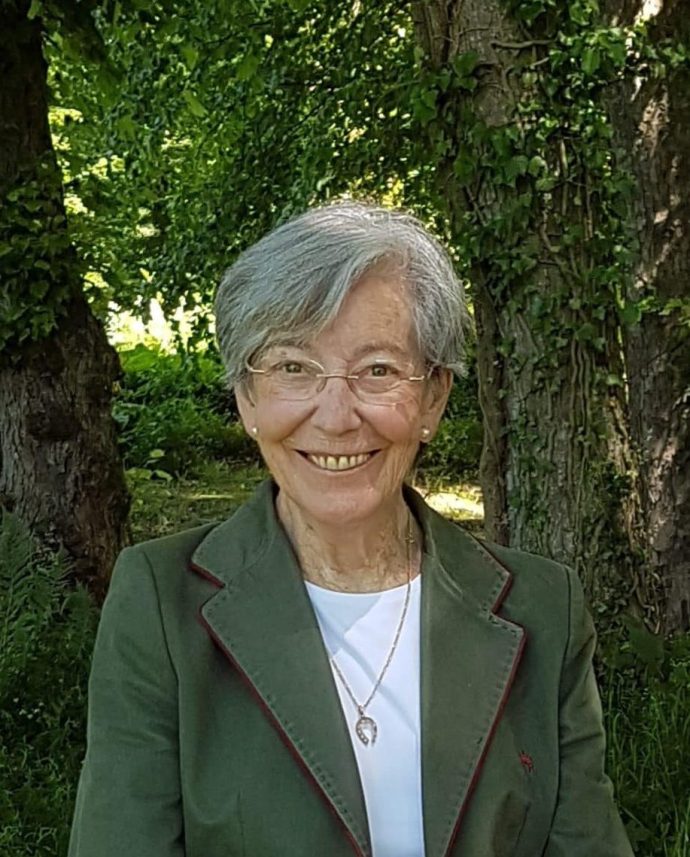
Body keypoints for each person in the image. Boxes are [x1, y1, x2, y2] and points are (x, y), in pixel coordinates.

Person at [69, 201, 634, 857]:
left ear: (433, 397)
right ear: (248, 397)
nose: (336, 416)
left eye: (378, 370)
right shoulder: (160, 603)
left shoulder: (543, 607)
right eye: (293, 367)